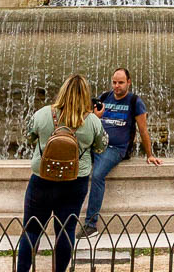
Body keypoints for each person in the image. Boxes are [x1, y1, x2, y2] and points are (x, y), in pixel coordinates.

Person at [18, 74, 108, 272]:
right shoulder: (92, 121)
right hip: (75, 181)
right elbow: (101, 147)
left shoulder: (43, 114)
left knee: (31, 229)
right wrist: (95, 119)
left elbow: (28, 137)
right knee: (66, 231)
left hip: (42, 179)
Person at [81, 68, 161, 238]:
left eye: (121, 83)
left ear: (129, 82)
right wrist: (94, 116)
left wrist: (150, 155)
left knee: (97, 175)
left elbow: (143, 130)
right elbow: (88, 121)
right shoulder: (104, 97)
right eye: (114, 82)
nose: (117, 86)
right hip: (95, 144)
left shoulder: (135, 101)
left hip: (116, 149)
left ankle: (91, 225)